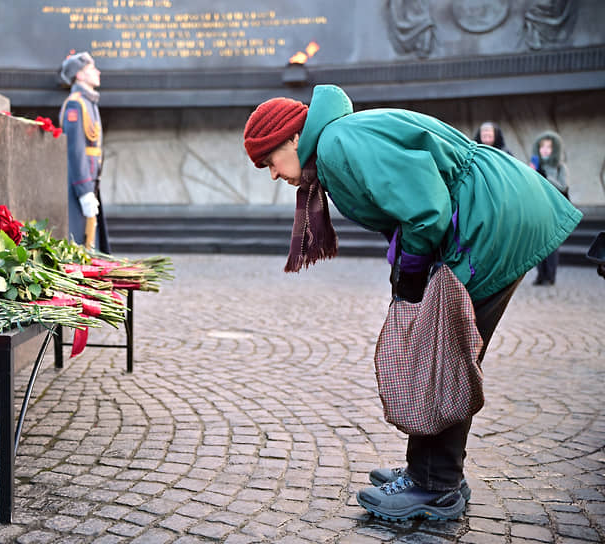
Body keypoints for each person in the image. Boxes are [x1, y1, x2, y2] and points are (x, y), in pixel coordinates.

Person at [243, 85, 582, 521]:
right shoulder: (340, 139)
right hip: (491, 213)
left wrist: (412, 278)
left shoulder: (338, 142)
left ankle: (434, 486)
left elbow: (426, 212)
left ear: (293, 138)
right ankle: (431, 472)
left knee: (443, 355)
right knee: (441, 350)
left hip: (486, 223)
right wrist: (407, 269)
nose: (272, 174)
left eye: (269, 160)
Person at [57, 51, 110, 252]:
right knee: (80, 242)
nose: (97, 72)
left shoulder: (88, 102)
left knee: (90, 241)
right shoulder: (76, 104)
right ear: (79, 75)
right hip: (80, 184)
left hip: (91, 180)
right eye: (91, 69)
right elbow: (76, 150)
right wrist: (84, 190)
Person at [529, 131, 569, 285]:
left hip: (554, 209)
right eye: (542, 147)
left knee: (552, 244)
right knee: (538, 243)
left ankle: (550, 276)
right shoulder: (535, 164)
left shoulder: (560, 166)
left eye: (549, 147)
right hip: (539, 208)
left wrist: (547, 176)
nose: (545, 150)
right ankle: (540, 275)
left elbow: (564, 186)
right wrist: (531, 173)